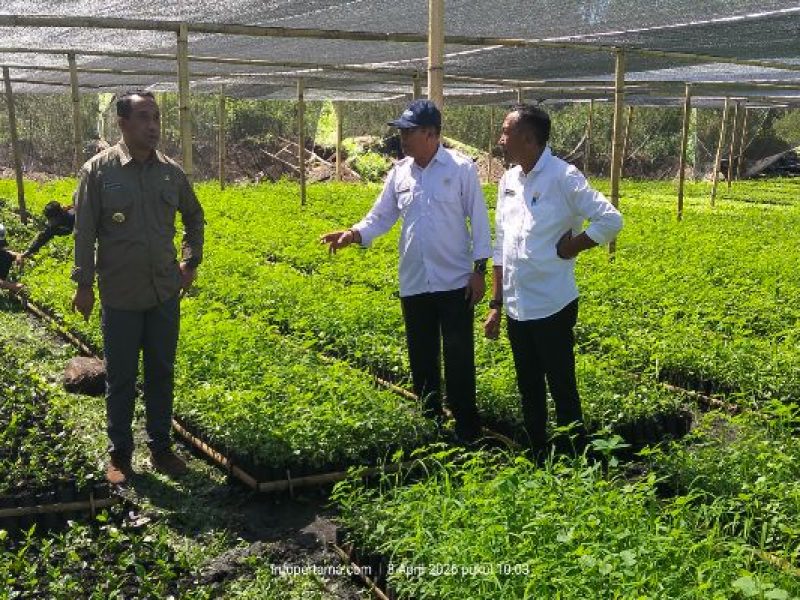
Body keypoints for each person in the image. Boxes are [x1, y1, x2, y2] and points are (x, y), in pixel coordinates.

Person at [321, 99, 491, 443]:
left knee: (459, 356)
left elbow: (480, 221)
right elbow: (381, 216)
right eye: (401, 131)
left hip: (455, 280)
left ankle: (466, 427)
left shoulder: (461, 168)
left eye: (408, 132)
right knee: (421, 356)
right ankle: (430, 422)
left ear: (430, 134)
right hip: (415, 280)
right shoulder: (400, 172)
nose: (402, 138)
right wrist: (353, 234)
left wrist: (479, 270)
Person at [71, 91, 205, 485]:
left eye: (156, 117)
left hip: (163, 292)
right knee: (122, 378)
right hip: (121, 295)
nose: (153, 126)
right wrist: (84, 285)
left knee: (161, 371)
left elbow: (194, 217)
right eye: (144, 117)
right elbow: (84, 233)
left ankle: (161, 448)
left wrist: (190, 261)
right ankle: (120, 454)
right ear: (123, 123)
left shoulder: (170, 173)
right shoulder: (98, 172)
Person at [484, 105, 622, 456]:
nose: (501, 139)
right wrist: (496, 303)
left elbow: (610, 220)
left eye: (506, 132)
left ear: (529, 138)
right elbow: (501, 244)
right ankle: (537, 453)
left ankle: (574, 455)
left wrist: (571, 247)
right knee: (528, 385)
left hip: (552, 303)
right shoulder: (508, 181)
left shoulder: (564, 177)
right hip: (517, 305)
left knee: (561, 385)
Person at [0, 223, 25, 296]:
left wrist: (19, 257)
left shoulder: (4, 254)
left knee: (6, 256)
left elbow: (14, 254)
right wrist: (12, 286)